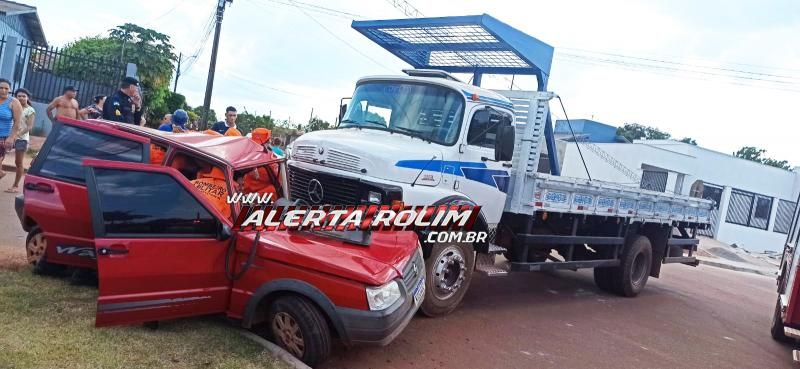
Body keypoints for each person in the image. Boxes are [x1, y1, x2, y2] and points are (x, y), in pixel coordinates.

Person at [5, 88, 35, 193]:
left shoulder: (30, 110)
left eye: (24, 96)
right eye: (19, 96)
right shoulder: (11, 106)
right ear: (15, 97)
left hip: (21, 139)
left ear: (27, 98)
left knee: (18, 162)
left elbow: (29, 127)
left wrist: (16, 135)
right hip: (7, 136)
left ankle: (15, 185)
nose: (21, 98)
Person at [0, 78, 23, 182]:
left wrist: (11, 137)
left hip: (3, 137)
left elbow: (17, 122)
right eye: (1, 88)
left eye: (6, 88)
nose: (4, 90)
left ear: (10, 89)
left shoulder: (14, 102)